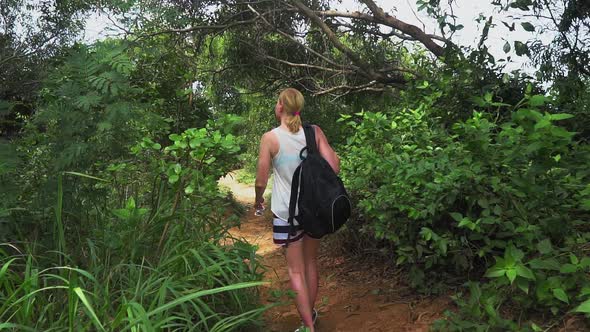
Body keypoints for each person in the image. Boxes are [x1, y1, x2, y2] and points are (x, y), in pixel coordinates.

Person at [254, 88, 340, 332]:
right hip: (314, 209)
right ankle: (310, 317)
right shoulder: (314, 132)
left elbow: (261, 180)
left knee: (295, 270)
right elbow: (334, 167)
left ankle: (308, 327)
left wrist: (258, 200)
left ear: (280, 107)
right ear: (299, 108)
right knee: (311, 263)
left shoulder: (270, 138)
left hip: (287, 212)